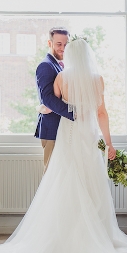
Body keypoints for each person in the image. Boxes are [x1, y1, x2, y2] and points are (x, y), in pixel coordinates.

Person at [0, 37, 127, 253]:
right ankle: (92, 239)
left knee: (63, 181)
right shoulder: (98, 80)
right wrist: (109, 143)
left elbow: (51, 103)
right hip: (88, 136)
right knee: (90, 182)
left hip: (69, 134)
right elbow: (102, 113)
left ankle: (62, 239)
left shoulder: (62, 78)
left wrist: (46, 108)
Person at [34, 27, 75, 173]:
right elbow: (48, 99)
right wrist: (74, 113)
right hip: (52, 130)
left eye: (66, 44)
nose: (63, 48)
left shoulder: (59, 65)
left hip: (61, 129)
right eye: (59, 44)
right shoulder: (46, 66)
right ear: (49, 43)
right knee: (52, 176)